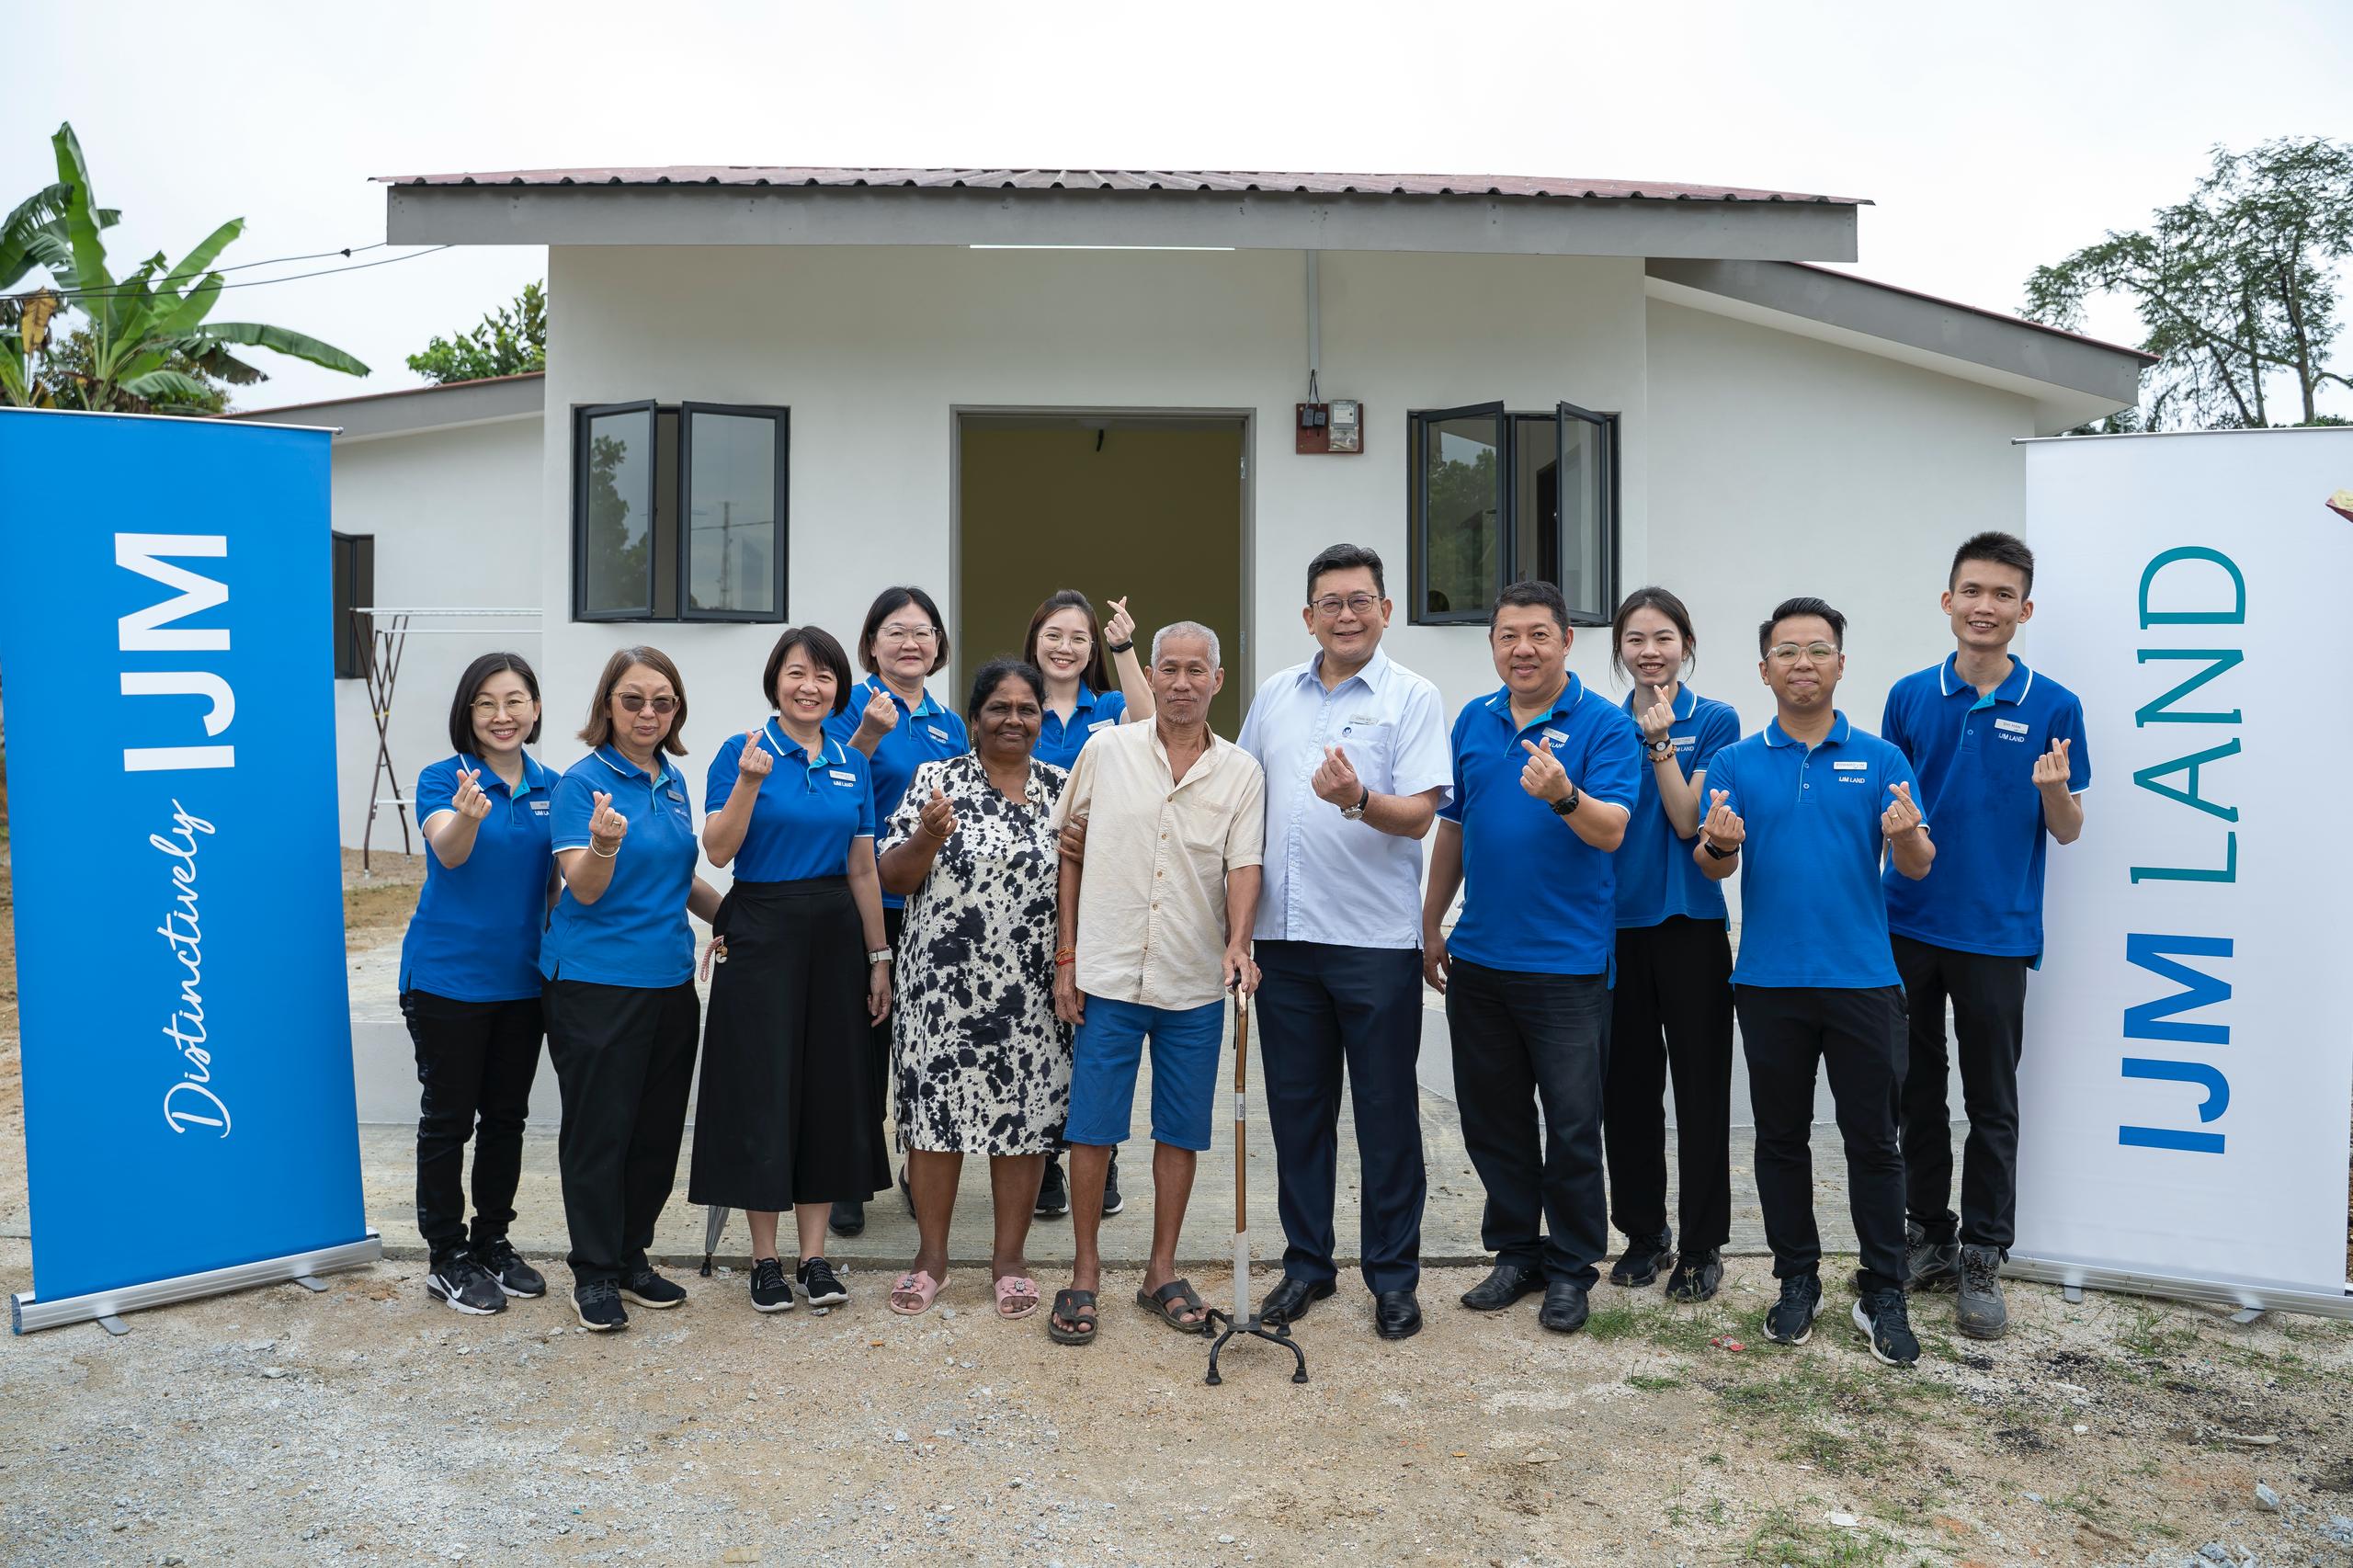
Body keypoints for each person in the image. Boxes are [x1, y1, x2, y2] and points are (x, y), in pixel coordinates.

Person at [1695, 597, 1934, 1368]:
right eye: (1788, 651)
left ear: (1840, 664)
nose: (1804, 662)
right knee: (1780, 1140)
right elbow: (1713, 863)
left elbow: (1920, 864)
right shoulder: (1735, 763)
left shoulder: (1883, 759)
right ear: (1764, 669)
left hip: (1864, 980)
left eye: (1819, 650)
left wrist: (1905, 839)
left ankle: (1882, 1290)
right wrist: (1718, 845)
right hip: (1769, 982)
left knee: (1875, 1143)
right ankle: (1796, 1279)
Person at [1237, 544, 1450, 1341]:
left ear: (1386, 611)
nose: (1347, 614)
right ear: (1308, 617)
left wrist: (1359, 798)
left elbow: (1422, 814)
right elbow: (1243, 795)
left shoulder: (1412, 696)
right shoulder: (1275, 696)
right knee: (1298, 1114)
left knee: (1387, 1116)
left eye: (1361, 600)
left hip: (1371, 943)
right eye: (1331, 602)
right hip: (1284, 942)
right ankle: (1306, 1267)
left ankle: (1394, 1278)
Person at [1881, 533, 2088, 1340]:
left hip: (1997, 933)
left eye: (2003, 595)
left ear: (2024, 610)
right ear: (1947, 601)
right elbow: (1887, 809)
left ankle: (1982, 1255)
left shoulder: (2054, 705)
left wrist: (2056, 792)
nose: (1985, 607)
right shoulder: (1907, 696)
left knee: (1992, 1102)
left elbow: (2068, 832)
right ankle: (1926, 1235)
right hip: (1905, 923)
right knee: (1914, 1090)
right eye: (1972, 591)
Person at [1422, 580, 1640, 1337]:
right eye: (1509, 635)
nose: (1524, 648)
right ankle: (1517, 1251)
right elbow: (1452, 828)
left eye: (1539, 634)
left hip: (1568, 966)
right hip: (1480, 959)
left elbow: (1611, 830)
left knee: (1574, 1123)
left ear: (1566, 641)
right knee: (1493, 1118)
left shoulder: (1605, 727)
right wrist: (1430, 924)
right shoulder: (1474, 722)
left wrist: (1562, 793)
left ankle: (1573, 1267)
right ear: (1492, 645)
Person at [1045, 621, 1266, 1346]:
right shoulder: (1105, 750)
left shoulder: (1240, 773)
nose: (1179, 682)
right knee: (1092, 1129)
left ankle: (1159, 1271)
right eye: (1167, 668)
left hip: (1192, 980)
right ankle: (1084, 1272)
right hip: (1107, 973)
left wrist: (1238, 942)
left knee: (1181, 1131)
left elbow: (1242, 867)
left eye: (1194, 670)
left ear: (1217, 680)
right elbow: (1068, 853)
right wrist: (1067, 955)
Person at [688, 626, 893, 1314]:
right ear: (776, 679)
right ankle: (765, 1261)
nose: (811, 687)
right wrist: (749, 782)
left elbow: (863, 867)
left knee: (827, 1091)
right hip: (763, 929)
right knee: (763, 1088)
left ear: (840, 687)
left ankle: (815, 1258)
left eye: (825, 676)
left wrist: (878, 957)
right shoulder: (741, 752)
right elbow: (718, 851)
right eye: (797, 673)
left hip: (836, 933)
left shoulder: (850, 759)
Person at [877, 658, 1072, 1320]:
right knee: (935, 1122)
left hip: (1033, 990)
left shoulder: (1063, 789)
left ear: (1042, 720)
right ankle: (931, 1258)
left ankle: (1008, 1260)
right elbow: (892, 878)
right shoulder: (937, 780)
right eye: (1000, 708)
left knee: (1023, 1120)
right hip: (942, 988)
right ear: (973, 719)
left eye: (1027, 709)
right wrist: (929, 836)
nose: (1013, 719)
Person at [540, 646, 723, 1332]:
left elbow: (682, 885)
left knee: (653, 1135)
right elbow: (583, 886)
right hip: (594, 986)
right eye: (633, 700)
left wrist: (738, 919)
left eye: (663, 701)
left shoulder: (672, 782)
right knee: (600, 1133)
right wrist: (604, 841)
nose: (648, 713)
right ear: (606, 706)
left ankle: (629, 1256)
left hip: (670, 983)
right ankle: (592, 1272)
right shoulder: (580, 783)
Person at [400, 653, 560, 1315]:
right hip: (447, 981)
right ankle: (446, 1256)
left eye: (516, 700)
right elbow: (450, 851)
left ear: (536, 709)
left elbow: (554, 883)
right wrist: (469, 814)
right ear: (468, 714)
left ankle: (492, 1240)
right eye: (487, 703)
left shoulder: (552, 784)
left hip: (522, 983)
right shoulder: (444, 779)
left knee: (506, 1119)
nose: (503, 715)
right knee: (448, 1120)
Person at [1600, 588, 1743, 1303]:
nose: (1649, 652)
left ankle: (1700, 1243)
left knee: (1700, 1088)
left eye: (1663, 638)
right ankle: (1643, 1233)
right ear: (1619, 650)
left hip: (1689, 927)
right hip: (1614, 933)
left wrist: (1660, 743)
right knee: (1626, 1094)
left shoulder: (1715, 720)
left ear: (1687, 644)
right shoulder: (1598, 723)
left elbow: (1692, 825)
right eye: (1634, 640)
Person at [825, 585, 970, 1236]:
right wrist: (867, 735)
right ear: (872, 644)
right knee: (862, 1041)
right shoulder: (847, 705)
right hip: (862, 899)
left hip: (933, 908)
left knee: (927, 1047)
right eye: (896, 631)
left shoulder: (949, 723)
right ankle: (851, 1173)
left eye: (923, 632)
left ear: (937, 645)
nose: (911, 643)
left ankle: (921, 1167)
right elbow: (826, 783)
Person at [1023, 589, 1154, 1221]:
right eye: (1054, 633)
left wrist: (1125, 646)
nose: (1065, 646)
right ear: (1035, 640)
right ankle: (1044, 1160)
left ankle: (1098, 1159)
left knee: (1092, 1030)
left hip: (1100, 890)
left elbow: (1152, 720)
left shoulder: (1109, 707)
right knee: (1035, 1029)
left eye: (1079, 636)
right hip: (1022, 896)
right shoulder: (1018, 704)